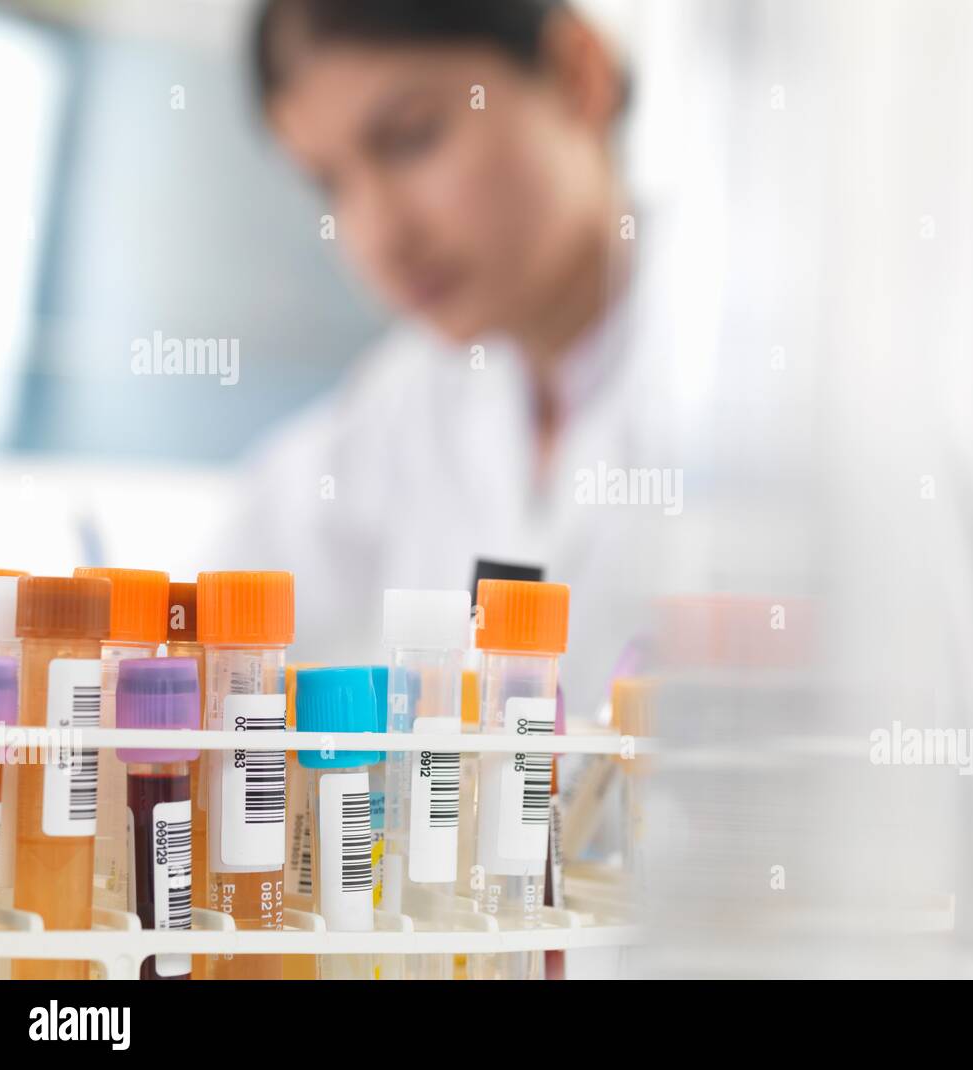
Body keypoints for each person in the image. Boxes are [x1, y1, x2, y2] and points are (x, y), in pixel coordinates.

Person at [222, 0, 671, 719]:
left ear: (576, 74)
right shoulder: (412, 396)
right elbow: (219, 607)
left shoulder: (761, 365)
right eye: (328, 184)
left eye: (410, 137)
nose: (377, 235)